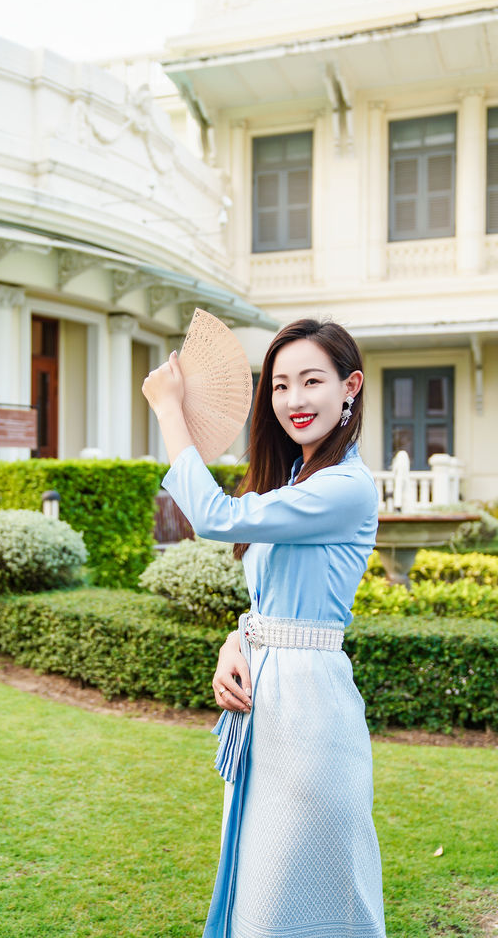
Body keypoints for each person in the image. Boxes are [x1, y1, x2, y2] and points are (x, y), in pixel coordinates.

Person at [142, 318, 386, 938]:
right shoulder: (298, 479)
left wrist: (169, 410)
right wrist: (236, 641)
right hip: (266, 699)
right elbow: (274, 603)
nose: (294, 401)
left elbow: (216, 517)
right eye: (279, 386)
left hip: (308, 708)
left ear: (349, 386)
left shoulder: (345, 487)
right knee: (256, 884)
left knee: (303, 890)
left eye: (311, 381)